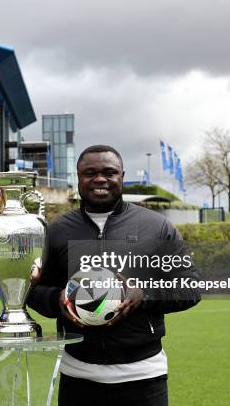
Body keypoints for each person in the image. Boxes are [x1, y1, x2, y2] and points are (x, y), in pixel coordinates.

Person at [26, 145, 202, 406]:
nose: (100, 179)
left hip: (143, 375)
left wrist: (143, 295)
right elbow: (33, 290)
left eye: (109, 172)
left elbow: (190, 287)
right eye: (90, 173)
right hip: (78, 376)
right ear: (79, 177)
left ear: (122, 176)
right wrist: (58, 300)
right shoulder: (57, 231)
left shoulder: (156, 226)